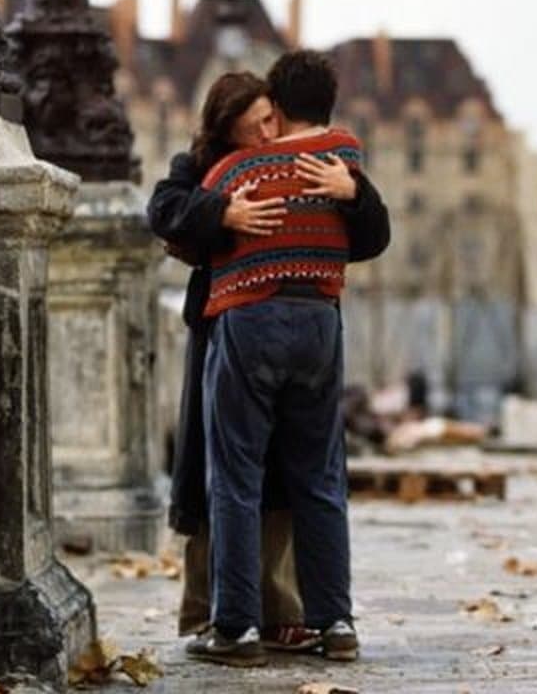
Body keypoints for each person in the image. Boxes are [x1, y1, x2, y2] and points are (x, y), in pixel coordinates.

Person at [145, 69, 387, 657]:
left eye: (271, 120)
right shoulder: (210, 168)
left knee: (244, 478)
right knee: (303, 478)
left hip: (247, 326)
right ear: (227, 126)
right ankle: (328, 622)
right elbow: (164, 209)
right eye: (256, 125)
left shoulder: (316, 168)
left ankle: (244, 624)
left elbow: (372, 231)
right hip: (260, 328)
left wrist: (353, 192)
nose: (268, 133)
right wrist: (220, 213)